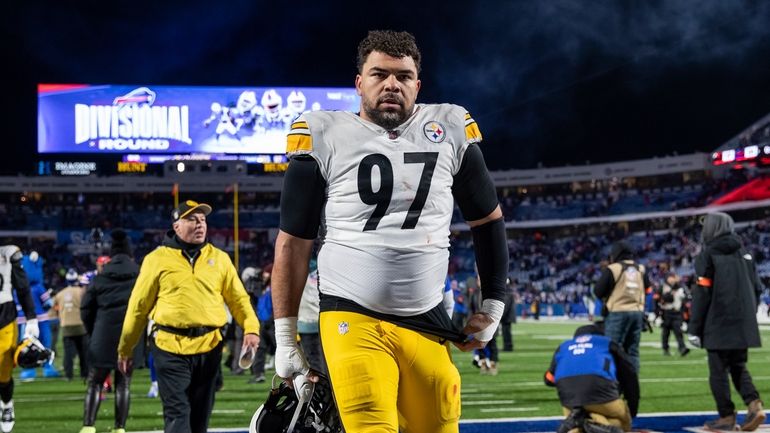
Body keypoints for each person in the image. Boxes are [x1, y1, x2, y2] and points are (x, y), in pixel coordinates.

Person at [271, 30, 509, 432]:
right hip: (351, 313)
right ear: (359, 82)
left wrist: (494, 305)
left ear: (418, 84)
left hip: (428, 317)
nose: (391, 84)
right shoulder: (325, 133)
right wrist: (285, 335)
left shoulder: (448, 126)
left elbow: (487, 221)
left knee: (439, 425)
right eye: (379, 74)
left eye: (403, 76)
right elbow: (293, 242)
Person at [117, 200, 260, 433]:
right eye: (192, 219)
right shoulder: (156, 259)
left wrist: (251, 329)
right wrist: (126, 348)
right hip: (169, 346)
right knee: (177, 414)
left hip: (210, 347)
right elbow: (138, 307)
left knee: (200, 418)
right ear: (176, 226)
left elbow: (239, 300)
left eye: (202, 219)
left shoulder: (220, 258)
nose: (199, 224)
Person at [688, 212, 766, 431]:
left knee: (718, 372)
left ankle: (726, 418)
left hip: (718, 323)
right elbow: (757, 289)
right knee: (738, 366)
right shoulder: (746, 254)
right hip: (743, 322)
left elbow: (702, 293)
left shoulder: (707, 255)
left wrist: (694, 328)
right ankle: (754, 405)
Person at [79, 229, 139, 433]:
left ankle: (88, 427)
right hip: (130, 336)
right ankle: (119, 428)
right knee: (123, 383)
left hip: (102, 335)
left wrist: (93, 330)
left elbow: (86, 308)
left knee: (95, 382)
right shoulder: (139, 275)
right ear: (130, 254)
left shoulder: (101, 277)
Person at [544, 324, 639, 433]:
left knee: (575, 429)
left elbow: (549, 379)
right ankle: (589, 424)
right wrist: (632, 408)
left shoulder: (564, 346)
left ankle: (578, 421)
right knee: (623, 422)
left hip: (570, 400)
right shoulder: (607, 343)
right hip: (601, 393)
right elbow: (630, 375)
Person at [593, 241, 651, 372]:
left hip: (617, 312)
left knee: (612, 348)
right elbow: (647, 288)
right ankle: (632, 385)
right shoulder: (640, 269)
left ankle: (613, 384)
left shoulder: (614, 268)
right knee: (633, 351)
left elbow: (598, 291)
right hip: (637, 313)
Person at [0, 245, 39, 433]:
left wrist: (31, 317)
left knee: (3, 372)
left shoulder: (7, 254)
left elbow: (22, 287)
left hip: (4, 319)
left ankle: (6, 404)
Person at [53, 272, 88, 381]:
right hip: (80, 325)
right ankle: (84, 373)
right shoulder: (82, 292)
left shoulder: (60, 294)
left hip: (66, 326)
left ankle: (69, 375)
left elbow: (54, 307)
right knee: (83, 352)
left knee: (68, 353)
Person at [658, 272, 689, 357]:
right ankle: (665, 349)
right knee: (666, 333)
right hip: (666, 312)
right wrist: (658, 314)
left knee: (678, 331)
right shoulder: (663, 287)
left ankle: (682, 348)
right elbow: (662, 299)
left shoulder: (680, 287)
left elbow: (685, 298)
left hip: (677, 312)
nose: (673, 279)